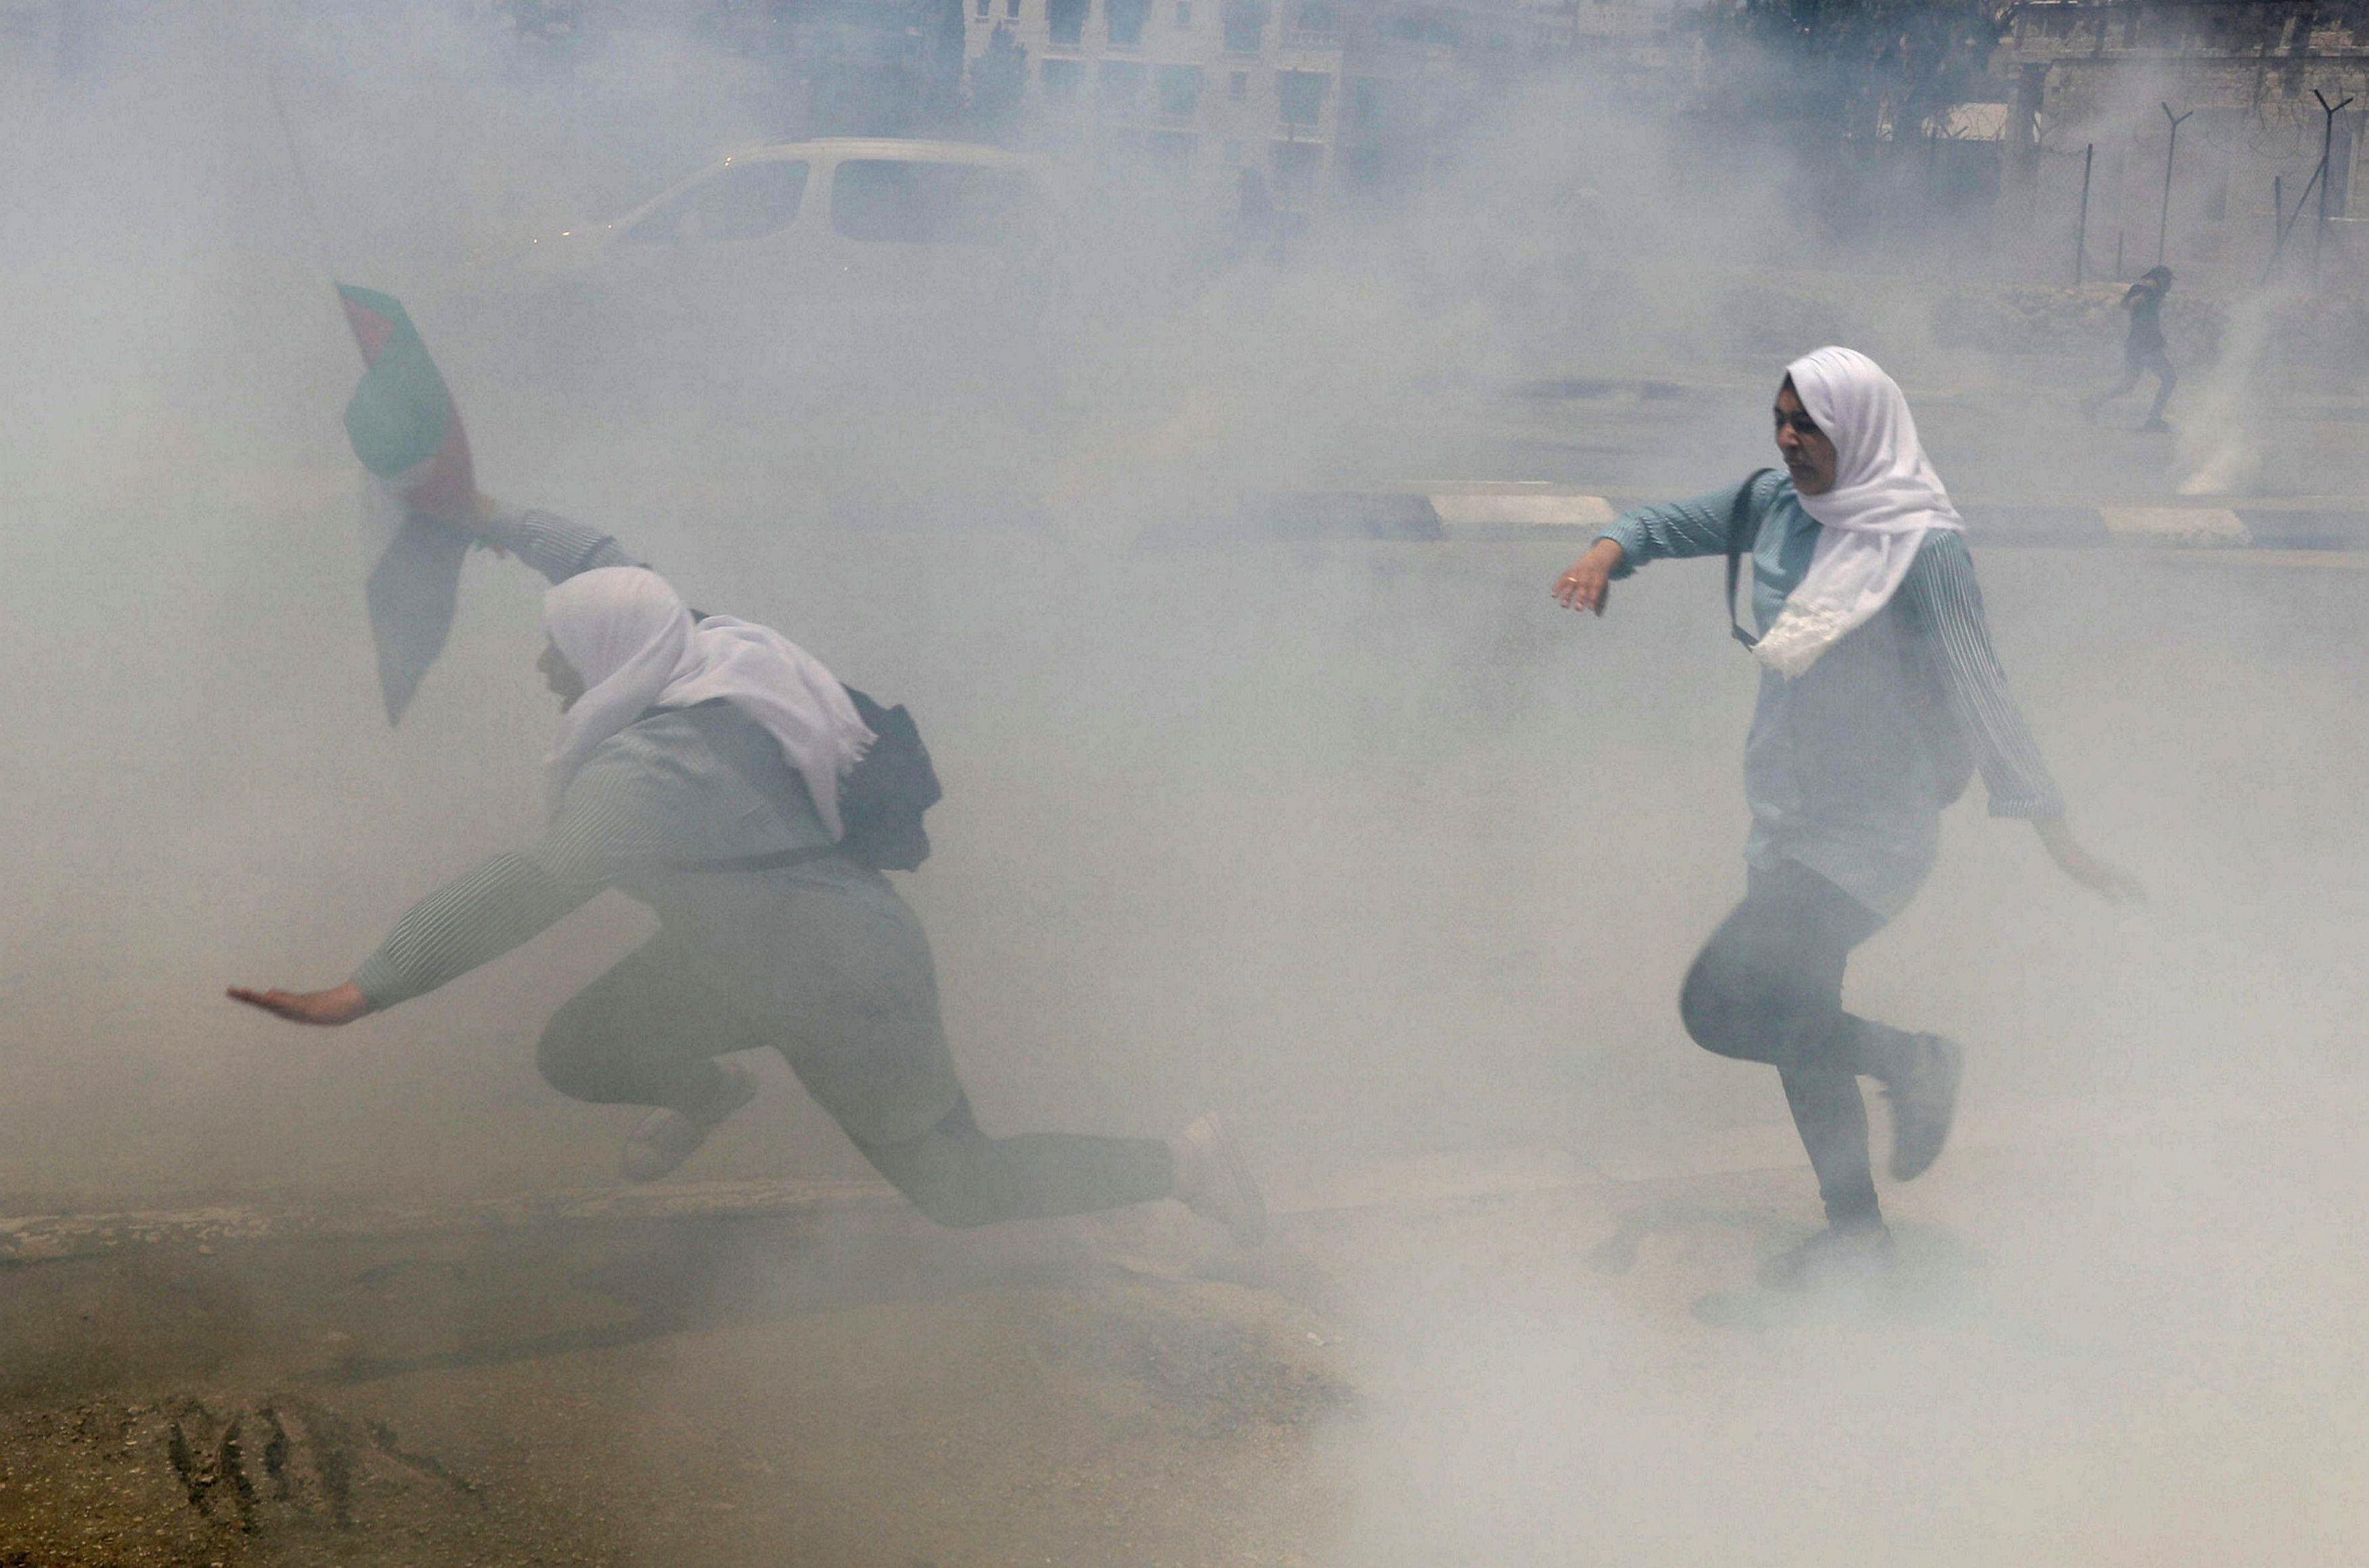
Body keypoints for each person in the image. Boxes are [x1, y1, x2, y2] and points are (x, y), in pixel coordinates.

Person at [230, 503, 1267, 1245]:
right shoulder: (696, 642)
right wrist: (484, 517)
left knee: (960, 1187)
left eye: (559, 653)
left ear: (604, 658)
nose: (544, 668)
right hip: (740, 953)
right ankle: (714, 1089)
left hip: (845, 978)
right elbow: (598, 558)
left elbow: (531, 881)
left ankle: (1182, 1163)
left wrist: (364, 989)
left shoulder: (650, 773)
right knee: (582, 1049)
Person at [1551, 347, 2140, 1291]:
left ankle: (1915, 1060)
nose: (1790, 438)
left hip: (1870, 836)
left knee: (1720, 1005)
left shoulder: (1925, 545)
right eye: (1781, 419)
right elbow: (1662, 522)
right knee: (1797, 1026)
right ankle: (1858, 1236)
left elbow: (1978, 681)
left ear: (1860, 429)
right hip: (1785, 819)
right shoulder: (1774, 504)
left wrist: (2053, 829)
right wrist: (1603, 552)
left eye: (1810, 423)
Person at [2086, 266, 2177, 432]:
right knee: (2170, 378)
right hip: (2145, 347)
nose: (2169, 285)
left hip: (2138, 346)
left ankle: (2092, 403)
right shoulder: (2145, 291)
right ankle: (2153, 420)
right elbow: (2128, 304)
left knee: (2128, 385)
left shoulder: (2155, 295)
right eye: (2167, 280)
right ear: (2158, 279)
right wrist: (2138, 299)